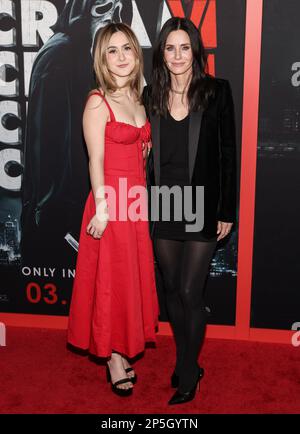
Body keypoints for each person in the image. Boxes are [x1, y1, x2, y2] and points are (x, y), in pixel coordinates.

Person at [143, 17, 237, 405]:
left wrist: (226, 209)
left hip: (201, 204)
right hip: (164, 202)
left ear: (195, 51)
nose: (178, 55)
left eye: (185, 47)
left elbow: (228, 155)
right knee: (170, 290)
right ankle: (188, 362)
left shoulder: (216, 92)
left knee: (188, 290)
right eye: (170, 47)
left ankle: (186, 370)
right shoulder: (150, 95)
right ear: (161, 53)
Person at [67, 23, 159, 397]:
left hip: (135, 203)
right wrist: (102, 210)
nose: (121, 57)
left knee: (129, 279)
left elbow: (141, 150)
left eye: (127, 49)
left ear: (137, 54)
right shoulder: (97, 101)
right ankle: (113, 358)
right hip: (110, 204)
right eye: (112, 51)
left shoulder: (139, 99)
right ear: (101, 59)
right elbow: (95, 160)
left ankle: (122, 346)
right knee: (109, 281)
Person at [20, 0, 130, 268]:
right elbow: (46, 147)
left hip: (77, 212)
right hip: (59, 222)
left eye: (117, 7)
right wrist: (56, 220)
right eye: (103, 7)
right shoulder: (60, 55)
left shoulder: (82, 52)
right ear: (83, 9)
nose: (113, 16)